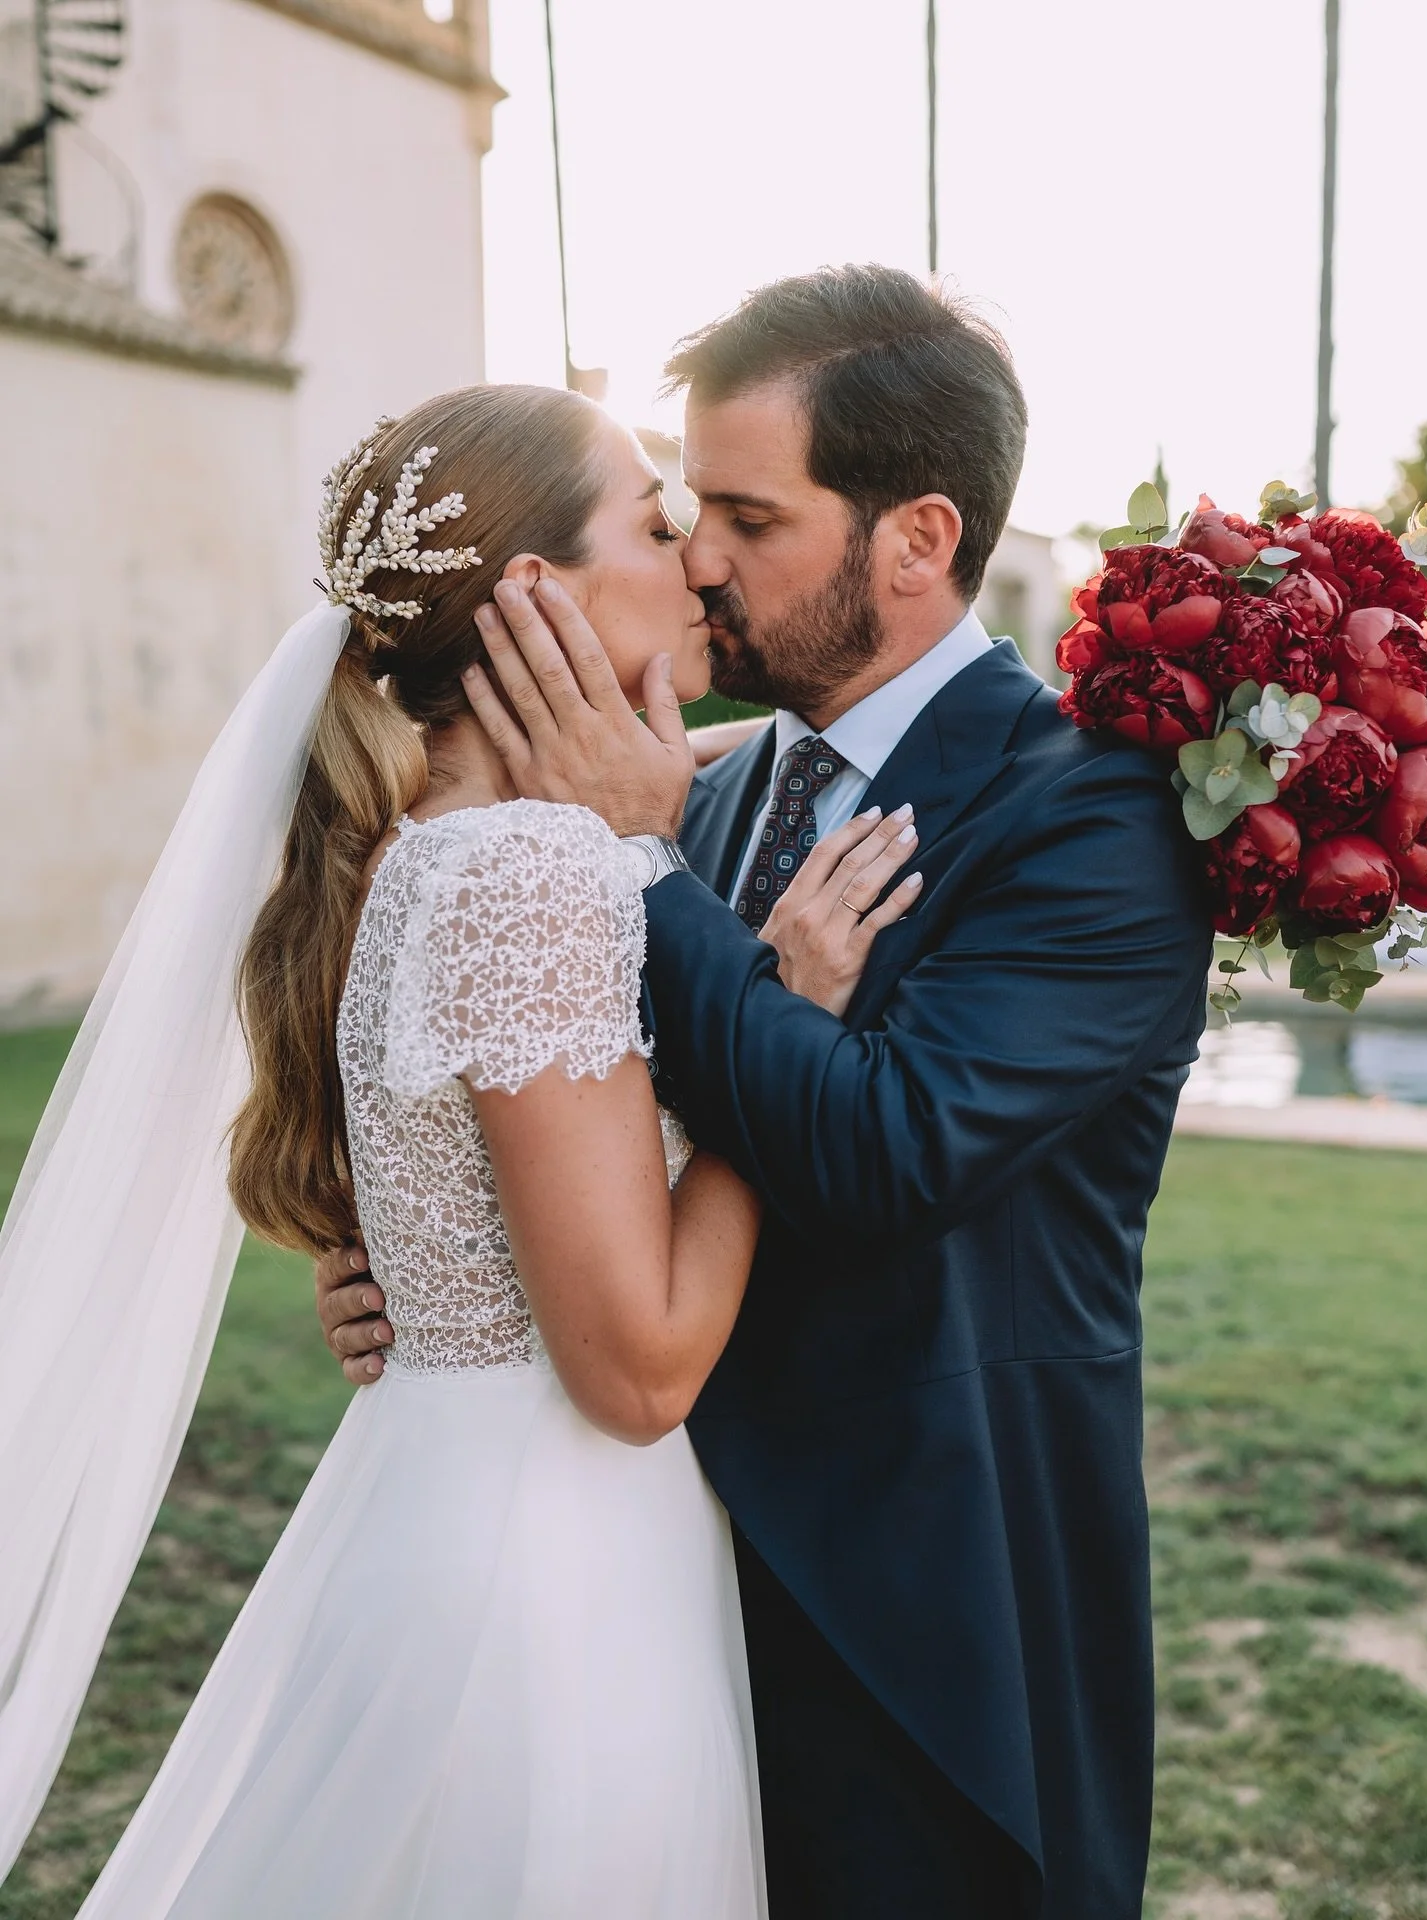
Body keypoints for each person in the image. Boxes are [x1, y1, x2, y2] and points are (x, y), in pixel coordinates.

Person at [323, 266, 1215, 1919]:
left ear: (918, 539)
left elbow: (888, 1154)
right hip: (648, 1591)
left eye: (747, 516)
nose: (702, 560)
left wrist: (649, 862)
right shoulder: (701, 777)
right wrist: (452, 1271)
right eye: (685, 511)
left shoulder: (1094, 819)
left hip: (924, 1633)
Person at [0, 382, 921, 1917]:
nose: (696, 560)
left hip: (448, 1504)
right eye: (656, 525)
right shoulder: (530, 876)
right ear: (537, 595)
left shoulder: (419, 842)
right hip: (551, 1577)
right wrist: (789, 1025)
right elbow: (639, 1374)